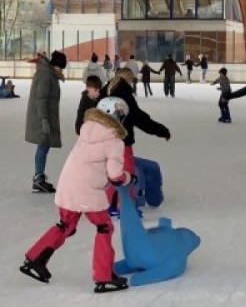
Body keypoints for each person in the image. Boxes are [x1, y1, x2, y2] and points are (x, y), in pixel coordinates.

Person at [18, 96, 132, 293]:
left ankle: (34, 259)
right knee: (104, 227)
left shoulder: (87, 130)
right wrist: (128, 178)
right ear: (116, 115)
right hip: (86, 192)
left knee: (66, 226)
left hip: (68, 185)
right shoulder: (113, 141)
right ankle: (104, 276)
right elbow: (115, 176)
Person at [103, 68, 171, 217]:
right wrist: (160, 130)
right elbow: (139, 118)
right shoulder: (124, 95)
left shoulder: (107, 90)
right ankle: (126, 208)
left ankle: (109, 205)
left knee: (113, 173)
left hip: (106, 141)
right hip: (122, 142)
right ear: (129, 79)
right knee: (127, 174)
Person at [26, 50, 67, 193]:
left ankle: (40, 177)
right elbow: (41, 99)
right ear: (55, 65)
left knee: (44, 145)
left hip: (45, 116)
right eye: (60, 67)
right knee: (43, 145)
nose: (61, 70)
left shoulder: (49, 74)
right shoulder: (45, 76)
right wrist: (44, 119)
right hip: (41, 117)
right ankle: (38, 179)